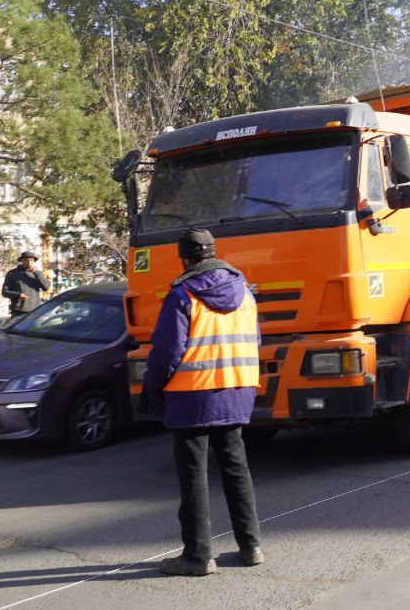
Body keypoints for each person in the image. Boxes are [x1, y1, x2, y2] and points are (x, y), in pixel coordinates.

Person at [142, 228, 264, 576]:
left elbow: (167, 351)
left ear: (185, 258)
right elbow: (254, 339)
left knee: (194, 476)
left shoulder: (183, 293)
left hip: (192, 394)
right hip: (237, 389)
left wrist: (153, 386)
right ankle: (251, 546)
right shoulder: (244, 291)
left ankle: (198, 556)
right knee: (236, 468)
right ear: (214, 253)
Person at [1, 251, 50, 319]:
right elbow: (4, 292)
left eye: (31, 260)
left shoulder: (38, 274)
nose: (29, 262)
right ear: (21, 260)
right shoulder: (12, 273)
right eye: (27, 260)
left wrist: (36, 273)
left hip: (35, 313)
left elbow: (46, 287)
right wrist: (18, 295)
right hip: (18, 314)